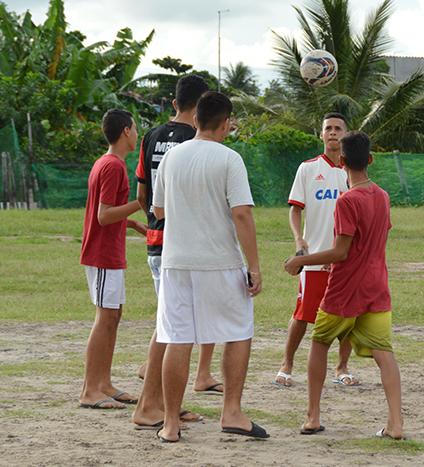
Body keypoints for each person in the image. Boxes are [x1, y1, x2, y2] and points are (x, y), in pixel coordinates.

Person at [150, 91, 267, 443]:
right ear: (226, 122)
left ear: (196, 118)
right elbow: (242, 213)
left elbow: (158, 212)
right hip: (218, 261)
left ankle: (171, 423)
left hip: (175, 263)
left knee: (177, 338)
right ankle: (231, 411)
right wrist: (255, 266)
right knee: (237, 330)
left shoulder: (171, 158)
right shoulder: (230, 158)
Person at [284, 131, 403, 440]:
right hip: (377, 287)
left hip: (344, 289)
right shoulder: (382, 195)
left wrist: (302, 260)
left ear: (342, 161)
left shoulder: (347, 199)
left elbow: (341, 252)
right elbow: (370, 242)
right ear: (371, 159)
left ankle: (312, 416)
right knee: (383, 353)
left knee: (319, 343)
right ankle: (396, 424)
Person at [132, 75, 221, 430]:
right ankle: (150, 405)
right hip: (184, 246)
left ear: (174, 104)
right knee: (170, 330)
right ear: (202, 110)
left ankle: (166, 404)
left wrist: (155, 221)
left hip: (158, 239)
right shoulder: (195, 141)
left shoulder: (151, 136)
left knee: (173, 327)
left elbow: (143, 196)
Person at [275, 113, 357, 388]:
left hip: (345, 259)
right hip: (314, 259)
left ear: (346, 134)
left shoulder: (353, 171)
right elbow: (295, 209)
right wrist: (299, 240)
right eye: (328, 129)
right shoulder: (308, 169)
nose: (333, 133)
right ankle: (286, 364)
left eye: (338, 129)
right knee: (303, 314)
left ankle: (342, 367)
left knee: (347, 317)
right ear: (320, 134)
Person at [78, 109, 147, 410]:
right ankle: (89, 389)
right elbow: (103, 215)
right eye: (135, 127)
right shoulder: (113, 167)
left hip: (110, 253)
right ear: (125, 132)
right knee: (104, 318)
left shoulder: (108, 163)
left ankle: (104, 383)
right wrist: (140, 204)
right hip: (103, 254)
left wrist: (132, 224)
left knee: (113, 317)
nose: (137, 132)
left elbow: (105, 212)